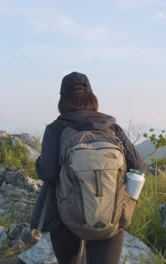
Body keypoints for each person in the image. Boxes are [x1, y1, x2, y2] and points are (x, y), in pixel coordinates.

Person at [30, 72, 145, 264]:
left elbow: (48, 173)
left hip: (64, 217)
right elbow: (139, 167)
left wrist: (39, 163)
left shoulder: (56, 129)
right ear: (92, 97)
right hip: (110, 215)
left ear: (63, 99)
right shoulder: (111, 128)